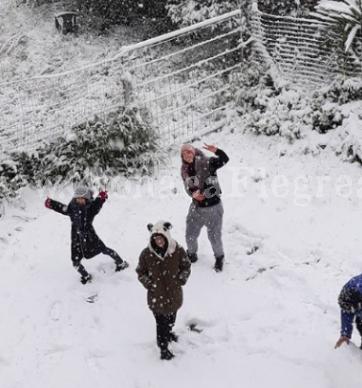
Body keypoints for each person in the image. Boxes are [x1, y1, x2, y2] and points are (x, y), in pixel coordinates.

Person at [45, 186, 129, 284]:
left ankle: (121, 263)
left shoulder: (91, 208)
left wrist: (101, 197)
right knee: (75, 262)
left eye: (82, 199)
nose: (80, 200)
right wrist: (51, 203)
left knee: (104, 249)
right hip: (76, 239)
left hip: (90, 237)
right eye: (78, 198)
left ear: (87, 199)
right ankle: (86, 276)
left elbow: (97, 204)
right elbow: (62, 208)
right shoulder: (72, 207)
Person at [136, 221, 191, 360]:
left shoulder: (177, 250)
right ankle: (163, 349)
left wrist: (181, 278)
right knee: (161, 324)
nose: (159, 241)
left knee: (171, 319)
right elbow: (140, 272)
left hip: (174, 294)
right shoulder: (146, 254)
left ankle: (169, 331)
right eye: (156, 239)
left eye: (161, 238)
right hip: (157, 297)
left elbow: (186, 266)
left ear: (167, 237)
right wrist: (149, 283)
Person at [180, 143, 229, 272]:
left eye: (189, 153)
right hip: (196, 207)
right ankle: (191, 254)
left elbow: (224, 160)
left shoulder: (207, 162)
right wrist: (193, 194)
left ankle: (219, 258)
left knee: (214, 236)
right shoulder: (184, 170)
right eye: (184, 154)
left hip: (213, 206)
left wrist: (217, 151)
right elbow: (188, 187)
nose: (187, 156)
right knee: (190, 234)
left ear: (194, 153)